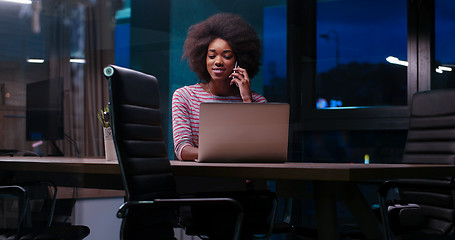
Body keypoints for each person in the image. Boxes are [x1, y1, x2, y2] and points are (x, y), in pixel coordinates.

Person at [172, 12, 267, 161]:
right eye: (212, 56)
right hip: (205, 180)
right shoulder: (185, 96)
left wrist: (247, 100)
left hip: (245, 182)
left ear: (239, 61)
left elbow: (262, 149)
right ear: (203, 59)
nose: (218, 61)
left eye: (227, 56)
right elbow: (182, 149)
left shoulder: (258, 102)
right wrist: (231, 153)